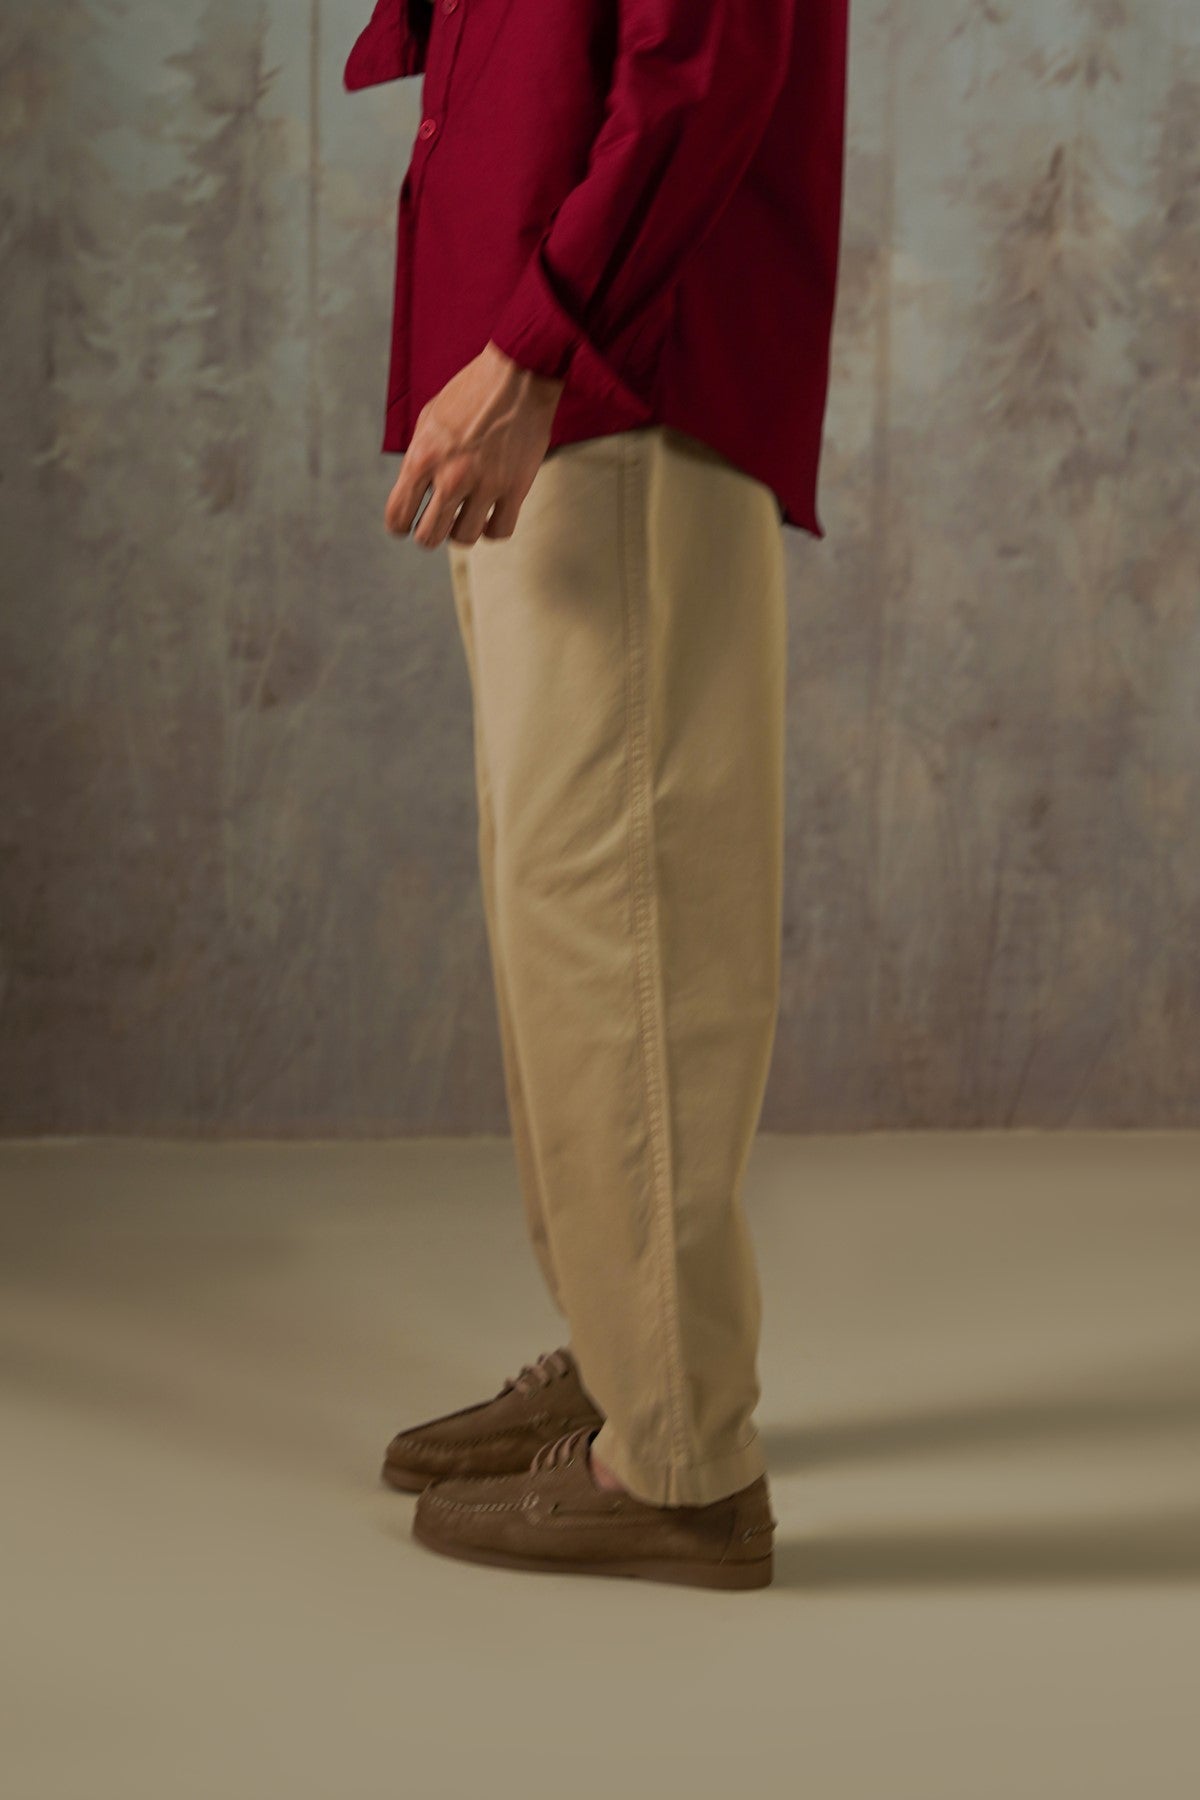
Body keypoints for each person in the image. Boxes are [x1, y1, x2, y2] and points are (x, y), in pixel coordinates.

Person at [343, 0, 849, 1590]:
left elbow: (705, 59)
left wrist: (535, 345)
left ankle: (679, 1457)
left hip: (606, 368)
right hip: (547, 365)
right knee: (567, 910)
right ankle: (629, 1352)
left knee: (627, 922)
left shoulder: (565, 350)